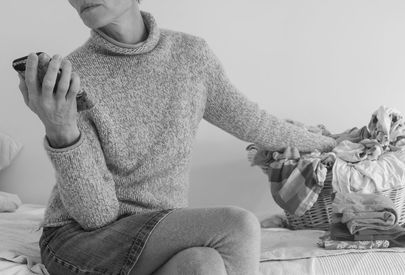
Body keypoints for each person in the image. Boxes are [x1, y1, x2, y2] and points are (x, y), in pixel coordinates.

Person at [17, 0, 336, 274]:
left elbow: (253, 122)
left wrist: (334, 145)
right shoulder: (74, 76)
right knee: (238, 225)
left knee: (202, 264)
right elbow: (96, 217)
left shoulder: (191, 56)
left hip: (155, 229)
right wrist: (62, 131)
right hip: (78, 240)